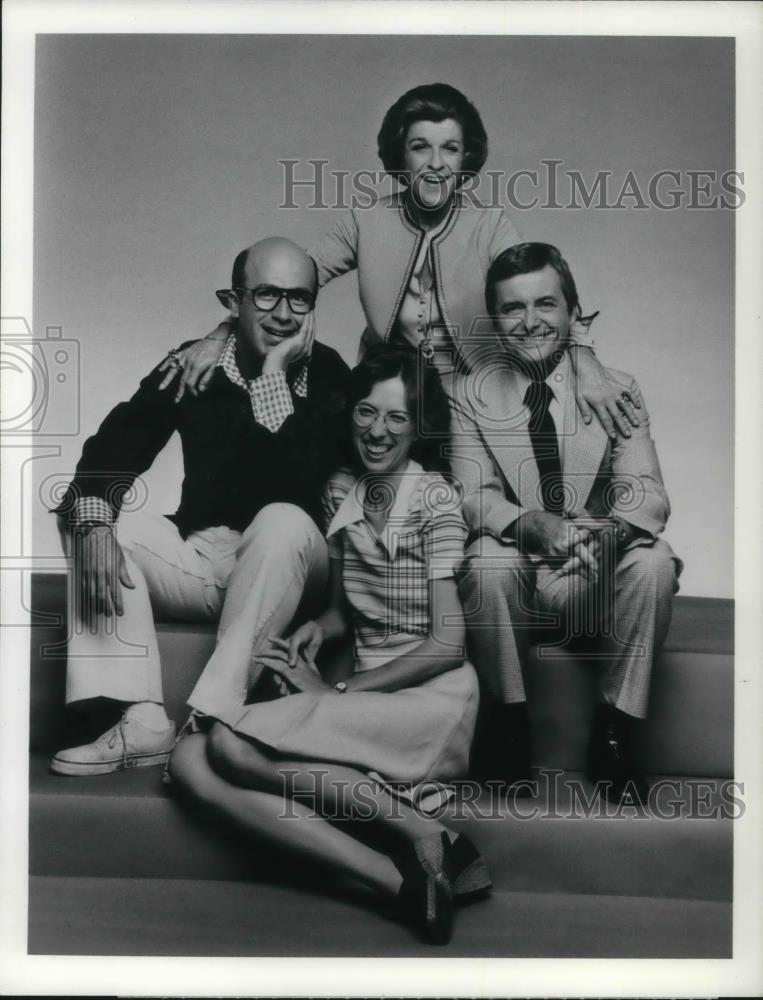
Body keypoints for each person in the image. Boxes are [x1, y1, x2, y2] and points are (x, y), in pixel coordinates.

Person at [168, 344, 487, 945]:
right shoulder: (342, 489)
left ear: (419, 427)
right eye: (367, 412)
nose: (378, 430)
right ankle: (397, 883)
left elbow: (447, 645)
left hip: (430, 700)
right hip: (365, 701)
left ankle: (423, 833)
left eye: (397, 417)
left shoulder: (437, 500)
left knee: (232, 748)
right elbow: (345, 612)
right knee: (189, 762)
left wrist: (336, 691)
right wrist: (320, 631)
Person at [161, 83, 640, 440]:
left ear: (465, 157)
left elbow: (542, 289)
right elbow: (281, 285)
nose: (435, 163)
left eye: (449, 148)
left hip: (475, 393)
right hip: (388, 390)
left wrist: (586, 361)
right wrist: (218, 335)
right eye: (420, 147)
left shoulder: (490, 223)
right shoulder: (365, 220)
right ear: (400, 156)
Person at [50, 238, 351, 776]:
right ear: (234, 302)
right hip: (203, 560)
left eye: (299, 299)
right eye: (266, 296)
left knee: (281, 518)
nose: (283, 313)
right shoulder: (194, 363)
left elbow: (292, 479)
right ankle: (143, 721)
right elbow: (114, 447)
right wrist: (95, 523)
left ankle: (210, 720)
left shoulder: (329, 373)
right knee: (89, 513)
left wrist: (275, 373)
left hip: (287, 568)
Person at [451, 242, 682, 804]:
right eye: (513, 308)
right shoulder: (467, 396)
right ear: (496, 320)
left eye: (546, 304)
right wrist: (533, 524)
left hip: (592, 575)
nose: (531, 322)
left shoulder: (617, 388)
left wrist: (610, 536)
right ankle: (508, 730)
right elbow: (473, 496)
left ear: (573, 313)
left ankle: (615, 733)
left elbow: (648, 493)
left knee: (653, 560)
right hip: (519, 585)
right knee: (484, 557)